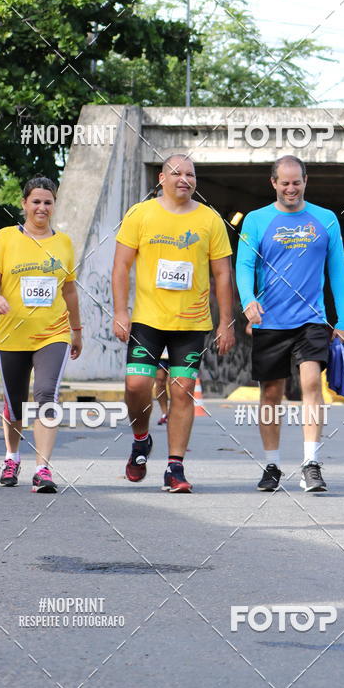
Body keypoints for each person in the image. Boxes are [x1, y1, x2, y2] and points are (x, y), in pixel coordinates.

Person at [112, 153, 235, 493]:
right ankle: (141, 439)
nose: (185, 179)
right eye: (177, 173)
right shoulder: (140, 214)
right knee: (136, 385)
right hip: (148, 320)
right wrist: (120, 311)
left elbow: (223, 273)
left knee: (182, 391)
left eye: (191, 174)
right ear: (161, 179)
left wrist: (226, 322)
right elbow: (121, 265)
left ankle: (174, 468)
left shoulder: (209, 219)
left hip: (192, 323)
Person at [236, 155, 344, 493]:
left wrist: (343, 319)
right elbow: (243, 264)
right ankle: (272, 465)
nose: (290, 188)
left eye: (296, 182)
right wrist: (248, 300)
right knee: (271, 393)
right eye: (284, 183)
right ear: (273, 183)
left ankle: (311, 464)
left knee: (311, 383)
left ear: (305, 180)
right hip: (270, 320)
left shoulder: (326, 220)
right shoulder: (256, 220)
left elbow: (337, 271)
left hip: (311, 318)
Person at [0, 176, 82, 492]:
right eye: (36, 201)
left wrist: (77, 330)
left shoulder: (64, 243)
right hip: (12, 334)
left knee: (46, 394)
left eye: (48, 202)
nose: (42, 207)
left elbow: (69, 291)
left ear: (54, 205)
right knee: (14, 403)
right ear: (24, 203)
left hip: (53, 333)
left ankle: (43, 469)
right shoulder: (6, 237)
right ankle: (12, 457)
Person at [155, 351, 170, 425]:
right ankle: (165, 414)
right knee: (159, 381)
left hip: (175, 351)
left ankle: (175, 412)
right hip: (160, 352)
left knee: (173, 382)